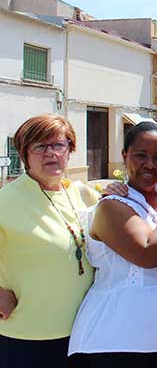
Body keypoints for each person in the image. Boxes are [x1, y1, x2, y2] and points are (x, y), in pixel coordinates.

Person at [68, 122, 157, 367]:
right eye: (140, 155)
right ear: (124, 156)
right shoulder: (112, 205)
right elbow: (150, 253)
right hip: (113, 339)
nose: (150, 164)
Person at [0, 114, 98, 368]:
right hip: (26, 335)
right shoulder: (6, 200)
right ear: (24, 153)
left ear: (70, 150)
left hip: (81, 331)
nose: (51, 153)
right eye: (40, 146)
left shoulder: (81, 194)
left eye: (58, 145)